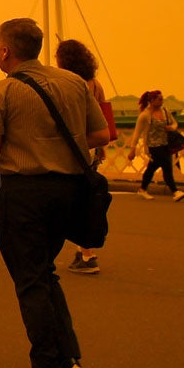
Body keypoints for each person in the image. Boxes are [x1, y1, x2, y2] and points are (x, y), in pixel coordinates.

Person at [0, 18, 111, 368]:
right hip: (69, 191)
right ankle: (66, 357)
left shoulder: (0, 92)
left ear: (6, 51)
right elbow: (101, 135)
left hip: (24, 193)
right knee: (45, 272)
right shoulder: (74, 83)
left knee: (30, 279)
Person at [54, 40, 115, 274]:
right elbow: (102, 117)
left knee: (72, 200)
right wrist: (101, 147)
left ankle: (87, 253)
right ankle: (84, 250)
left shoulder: (65, 83)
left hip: (72, 145)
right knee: (85, 197)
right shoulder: (95, 84)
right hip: (91, 146)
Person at [132, 90, 184, 201]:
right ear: (152, 100)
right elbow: (137, 132)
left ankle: (142, 189)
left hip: (165, 144)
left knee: (151, 168)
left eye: (162, 99)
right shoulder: (145, 115)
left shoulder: (165, 111)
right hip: (153, 146)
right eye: (159, 99)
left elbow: (174, 123)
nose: (162, 101)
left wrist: (172, 128)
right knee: (167, 167)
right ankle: (175, 191)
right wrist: (133, 149)